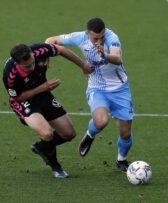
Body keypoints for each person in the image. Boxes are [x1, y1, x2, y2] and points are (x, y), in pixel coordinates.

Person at [45, 17, 134, 172]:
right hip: (97, 88)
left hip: (120, 89)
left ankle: (121, 160)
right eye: (95, 38)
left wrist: (104, 54)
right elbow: (51, 40)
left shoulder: (112, 38)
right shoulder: (79, 37)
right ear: (87, 33)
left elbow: (117, 57)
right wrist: (46, 56)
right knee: (100, 122)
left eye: (101, 37)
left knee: (125, 133)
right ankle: (90, 135)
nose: (98, 41)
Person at [2, 43, 93, 178]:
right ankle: (56, 166)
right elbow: (18, 97)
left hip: (43, 94)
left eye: (33, 62)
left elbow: (61, 50)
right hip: (24, 101)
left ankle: (41, 147)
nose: (32, 67)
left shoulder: (38, 51)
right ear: (17, 63)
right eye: (27, 66)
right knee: (47, 133)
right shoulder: (10, 75)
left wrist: (83, 65)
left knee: (69, 134)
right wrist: (43, 87)